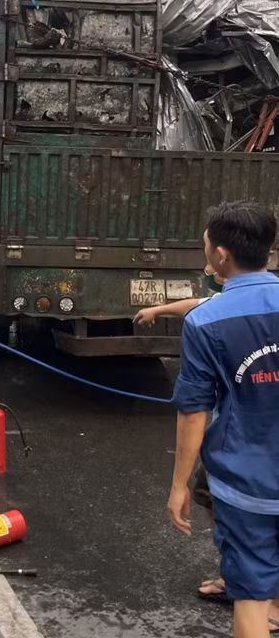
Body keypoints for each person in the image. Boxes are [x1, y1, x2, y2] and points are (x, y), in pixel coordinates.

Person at [168, 201, 279, 638]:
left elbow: (194, 411)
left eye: (206, 245)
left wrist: (179, 484)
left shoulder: (205, 320)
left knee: (249, 598)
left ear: (220, 256)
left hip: (246, 485)